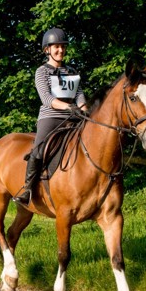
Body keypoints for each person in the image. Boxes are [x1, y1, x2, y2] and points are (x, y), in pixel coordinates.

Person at [13, 28, 88, 206]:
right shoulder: (41, 72)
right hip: (51, 117)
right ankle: (28, 189)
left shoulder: (71, 71)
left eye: (63, 47)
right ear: (47, 49)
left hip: (74, 116)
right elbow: (47, 99)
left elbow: (80, 95)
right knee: (38, 150)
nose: (60, 50)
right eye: (56, 47)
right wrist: (69, 107)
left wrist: (85, 110)